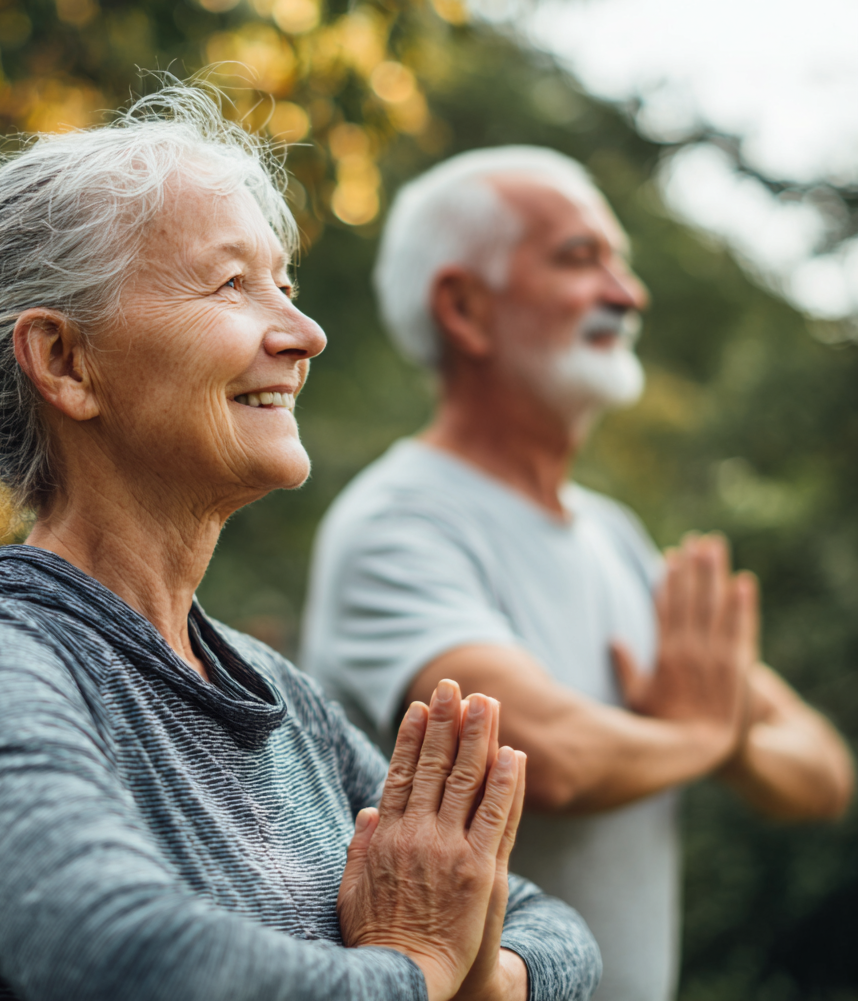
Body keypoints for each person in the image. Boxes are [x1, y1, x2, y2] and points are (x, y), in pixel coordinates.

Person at [0, 89, 603, 1001]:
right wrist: (414, 966)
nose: (305, 334)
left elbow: (556, 930)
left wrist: (479, 978)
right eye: (231, 285)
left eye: (283, 288)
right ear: (62, 361)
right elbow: (135, 964)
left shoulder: (279, 698)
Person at [301, 146, 855, 1001]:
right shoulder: (399, 523)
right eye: (579, 258)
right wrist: (708, 735)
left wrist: (723, 729)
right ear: (464, 308)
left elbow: (821, 776)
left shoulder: (617, 536)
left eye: (622, 264)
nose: (628, 296)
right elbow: (549, 756)